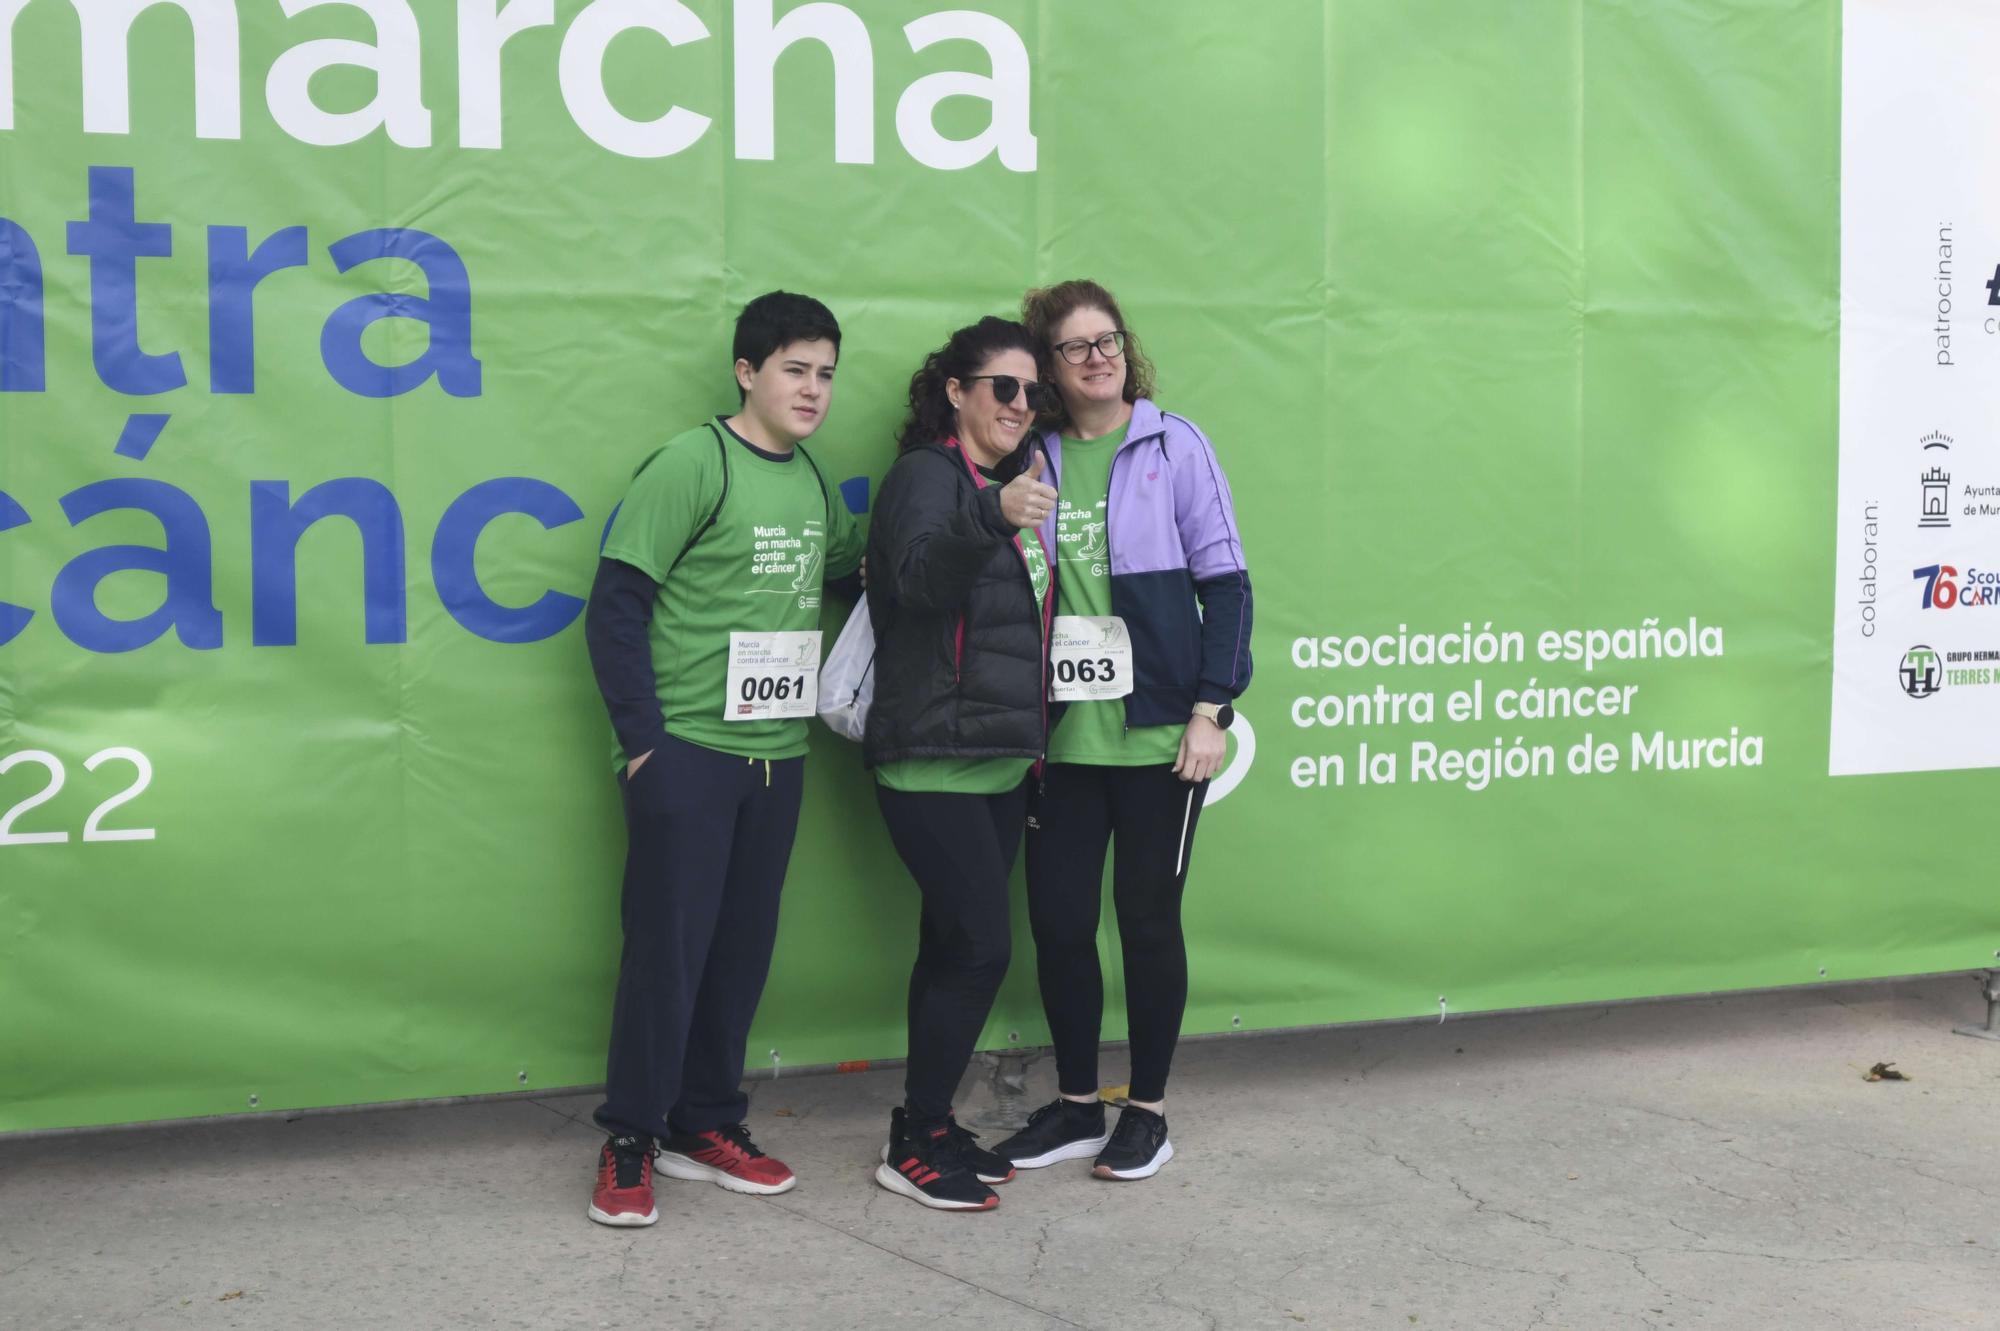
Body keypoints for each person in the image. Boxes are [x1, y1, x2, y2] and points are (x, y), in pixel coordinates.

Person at [581, 291, 864, 1227]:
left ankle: (706, 1120)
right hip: (690, 754)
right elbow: (617, 604)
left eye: (825, 372)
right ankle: (630, 1138)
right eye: (795, 369)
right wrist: (644, 745)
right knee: (668, 953)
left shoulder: (813, 479)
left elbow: (854, 572)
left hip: (779, 758)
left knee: (740, 954)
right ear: (748, 372)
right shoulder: (693, 462)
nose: (813, 389)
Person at [993, 280, 1252, 1182]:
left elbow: (1227, 586)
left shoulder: (1174, 445)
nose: (1098, 355)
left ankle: (1144, 1110)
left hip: (1158, 741)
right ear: (1049, 366)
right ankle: (1073, 1105)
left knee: (1145, 922)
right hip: (1060, 743)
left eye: (1109, 339)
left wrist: (1212, 707)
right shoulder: (1031, 458)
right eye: (1075, 346)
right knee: (1061, 924)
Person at [863, 316, 1060, 1211]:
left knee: (950, 944)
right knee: (981, 945)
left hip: (993, 762)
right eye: (1002, 387)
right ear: (957, 391)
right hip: (929, 761)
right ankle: (912, 1136)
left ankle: (929, 1124)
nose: (1021, 404)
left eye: (1031, 390)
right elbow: (910, 583)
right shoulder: (930, 477)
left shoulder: (1008, 481)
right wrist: (991, 513)